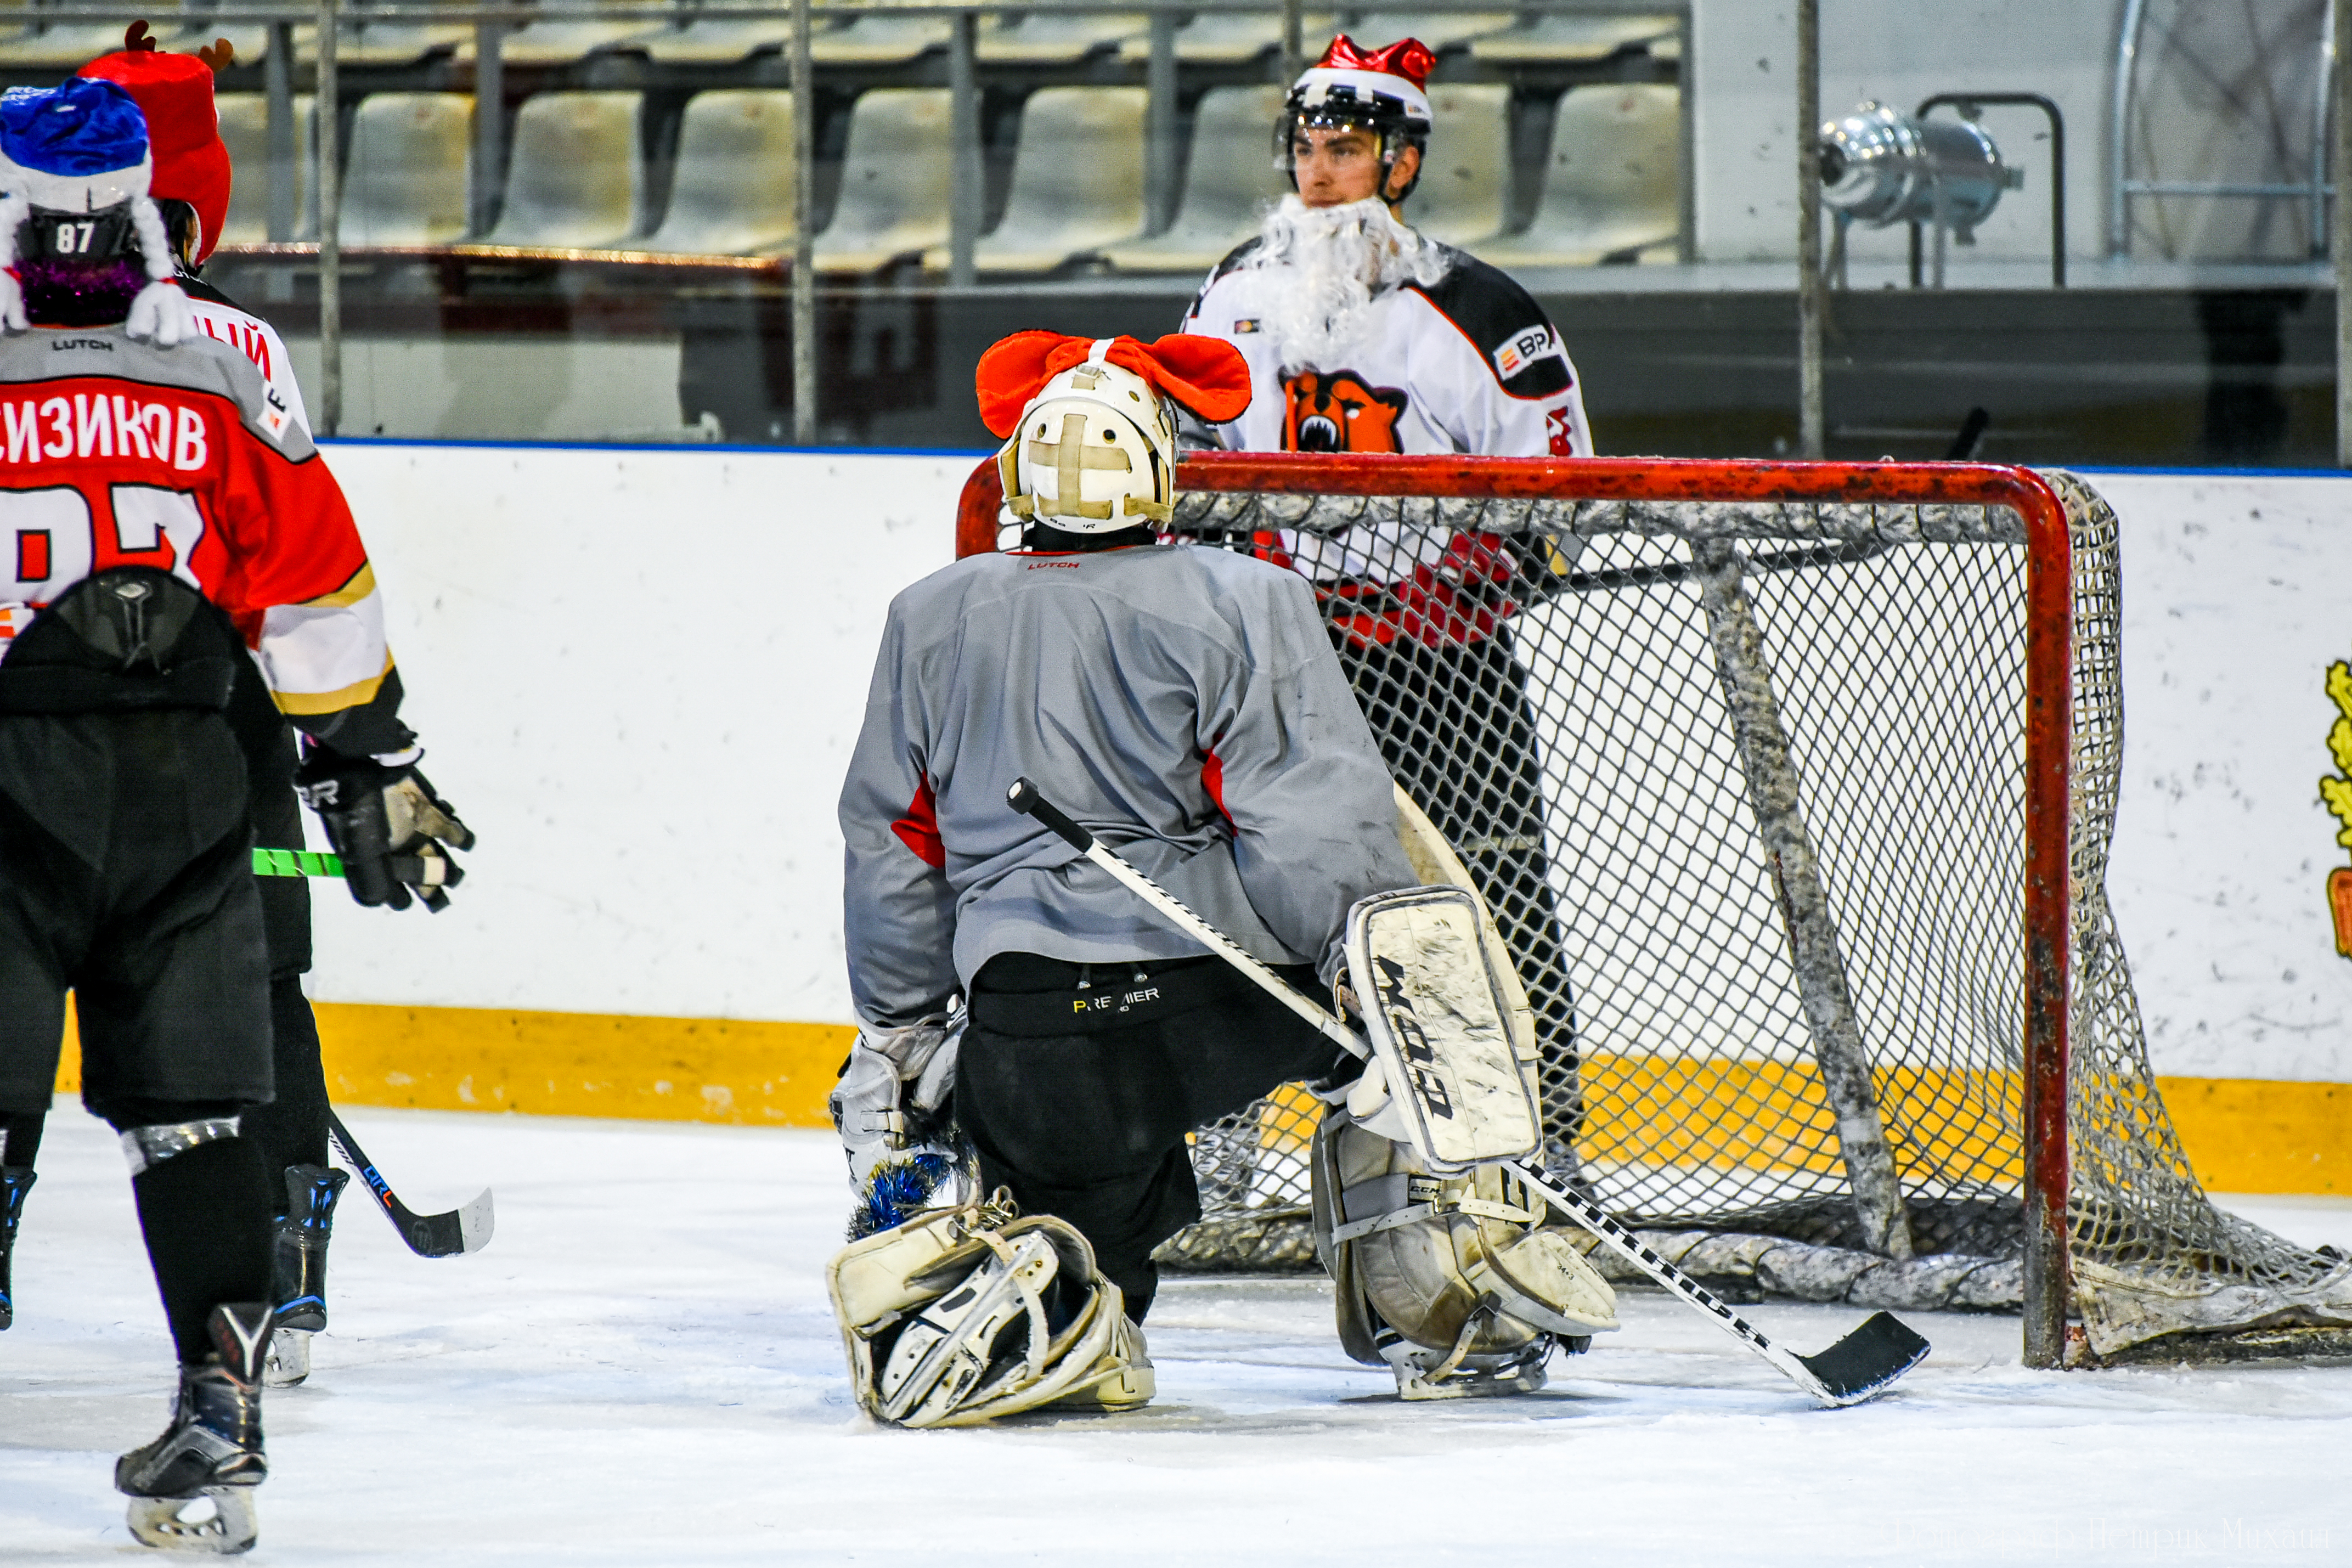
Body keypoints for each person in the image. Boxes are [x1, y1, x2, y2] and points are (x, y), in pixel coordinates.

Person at [0, 76, 471, 1552]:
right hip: (199, 787)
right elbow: (318, 583)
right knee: (197, 1118)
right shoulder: (219, 358)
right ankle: (221, 1422)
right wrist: (371, 757)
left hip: (12, 782)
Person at [836, 330, 1415, 1405]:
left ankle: (1003, 1263)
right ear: (1162, 468)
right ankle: (1423, 1278)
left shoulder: (927, 612)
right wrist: (1357, 979)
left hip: (1031, 1038)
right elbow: (1309, 833)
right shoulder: (1245, 597)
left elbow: (893, 844)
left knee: (979, 1155)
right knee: (1409, 1032)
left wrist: (903, 1023)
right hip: (1223, 1008)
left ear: (1015, 475)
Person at [0, 27, 365, 1394]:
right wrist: (354, 750)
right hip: (222, 735)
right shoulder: (228, 346)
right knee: (249, 1001)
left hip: (63, 739)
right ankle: (273, 1289)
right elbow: (298, 563)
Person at [1178, 35, 1594, 1175]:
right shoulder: (1233, 292)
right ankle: (1221, 1139)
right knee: (1237, 888)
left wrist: (1459, 571)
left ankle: (1533, 1142)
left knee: (1491, 889)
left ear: (1399, 165)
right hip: (1276, 660)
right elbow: (1187, 459)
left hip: (1439, 665)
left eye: (1346, 150)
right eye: (1304, 148)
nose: (1317, 174)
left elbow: (1550, 510)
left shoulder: (1482, 311)